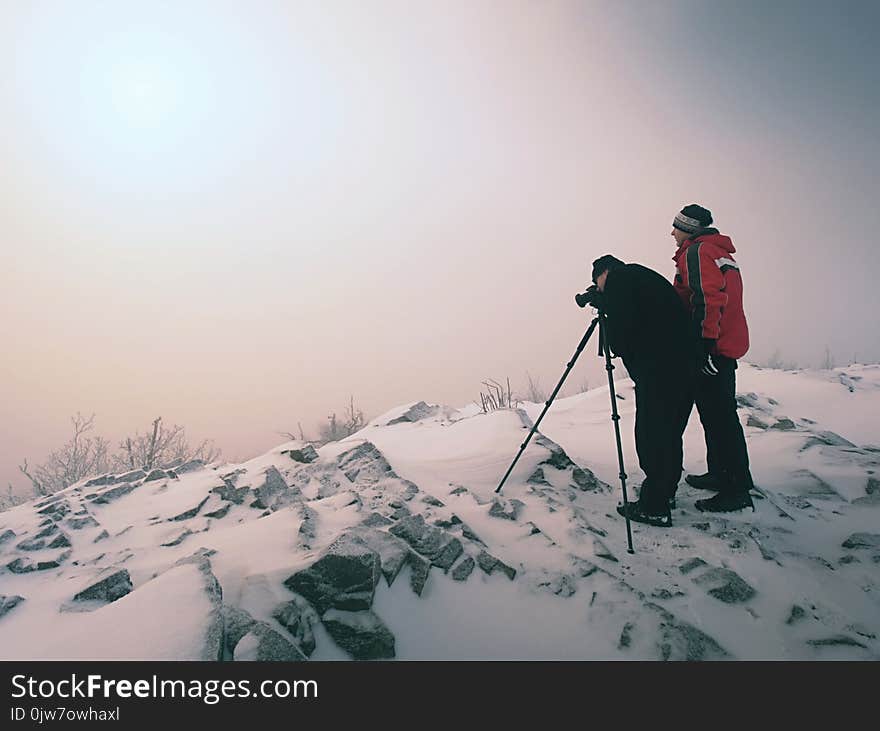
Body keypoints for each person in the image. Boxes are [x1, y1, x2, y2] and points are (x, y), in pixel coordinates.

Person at [587, 255, 695, 527]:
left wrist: (607, 309)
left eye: (597, 284)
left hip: (660, 369)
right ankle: (664, 492)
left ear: (604, 273)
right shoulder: (641, 277)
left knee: (652, 433)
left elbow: (622, 339)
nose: (599, 289)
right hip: (684, 365)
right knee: (669, 431)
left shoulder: (620, 280)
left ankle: (654, 506)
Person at [671, 204, 755, 513]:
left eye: (676, 227)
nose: (672, 232)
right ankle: (721, 474)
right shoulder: (719, 253)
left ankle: (736, 488)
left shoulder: (696, 252)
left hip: (713, 348)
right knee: (716, 416)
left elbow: (707, 298)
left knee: (720, 419)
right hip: (725, 345)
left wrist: (703, 344)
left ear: (689, 229)